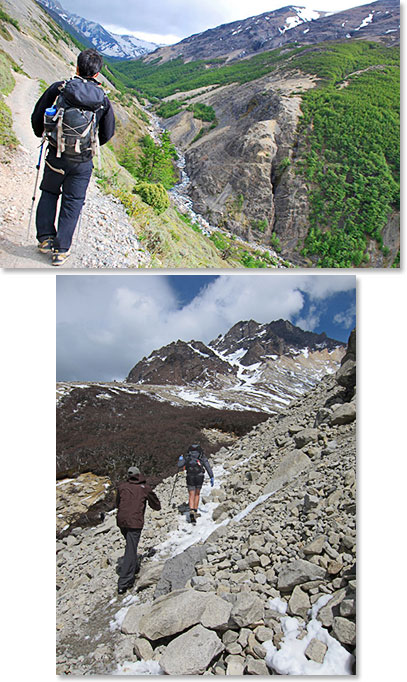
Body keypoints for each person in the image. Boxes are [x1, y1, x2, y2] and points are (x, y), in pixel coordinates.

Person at [31, 48, 115, 265]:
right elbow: (107, 132)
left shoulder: (59, 89)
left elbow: (37, 116)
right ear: (97, 74)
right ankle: (61, 250)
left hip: (56, 154)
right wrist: (86, 146)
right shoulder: (102, 99)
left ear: (77, 67)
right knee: (73, 201)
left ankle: (45, 239)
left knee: (49, 192)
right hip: (82, 161)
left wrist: (44, 135)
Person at [116, 466, 161, 595]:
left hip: (121, 520)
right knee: (130, 548)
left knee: (130, 545)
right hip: (134, 522)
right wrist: (157, 505)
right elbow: (156, 505)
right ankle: (124, 582)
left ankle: (133, 567)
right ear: (139, 474)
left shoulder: (122, 487)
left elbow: (117, 503)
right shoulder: (144, 488)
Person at [177, 444, 214, 524]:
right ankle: (195, 511)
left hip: (190, 476)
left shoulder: (188, 456)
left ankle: (191, 511)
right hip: (199, 476)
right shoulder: (201, 456)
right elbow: (207, 466)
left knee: (191, 494)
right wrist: (211, 476)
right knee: (197, 494)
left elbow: (179, 465)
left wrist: (180, 459)